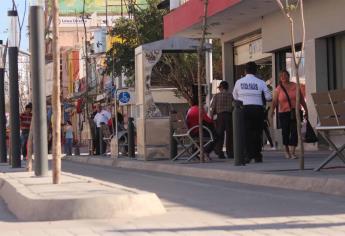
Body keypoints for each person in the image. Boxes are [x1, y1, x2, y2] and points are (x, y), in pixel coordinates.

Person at [232, 61, 272, 163]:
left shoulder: (239, 82)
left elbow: (235, 97)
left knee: (246, 133)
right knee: (257, 133)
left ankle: (248, 155)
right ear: (256, 71)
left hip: (244, 110)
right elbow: (269, 97)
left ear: (245, 71)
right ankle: (257, 155)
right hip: (258, 110)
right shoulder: (261, 82)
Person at [270, 69, 308, 159]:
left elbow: (302, 100)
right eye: (281, 76)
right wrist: (272, 111)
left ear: (288, 76)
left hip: (296, 112)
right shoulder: (278, 89)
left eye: (285, 75)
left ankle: (293, 152)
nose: (283, 77)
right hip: (283, 113)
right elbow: (274, 101)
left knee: (295, 131)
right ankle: (286, 151)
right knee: (285, 132)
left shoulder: (296, 86)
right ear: (280, 78)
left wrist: (306, 110)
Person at [210, 81, 233, 159]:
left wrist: (211, 117)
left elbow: (212, 108)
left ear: (222, 87)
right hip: (229, 116)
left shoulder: (216, 96)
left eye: (219, 88)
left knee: (220, 134)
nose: (219, 89)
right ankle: (230, 152)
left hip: (220, 116)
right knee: (230, 134)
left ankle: (220, 152)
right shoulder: (231, 95)